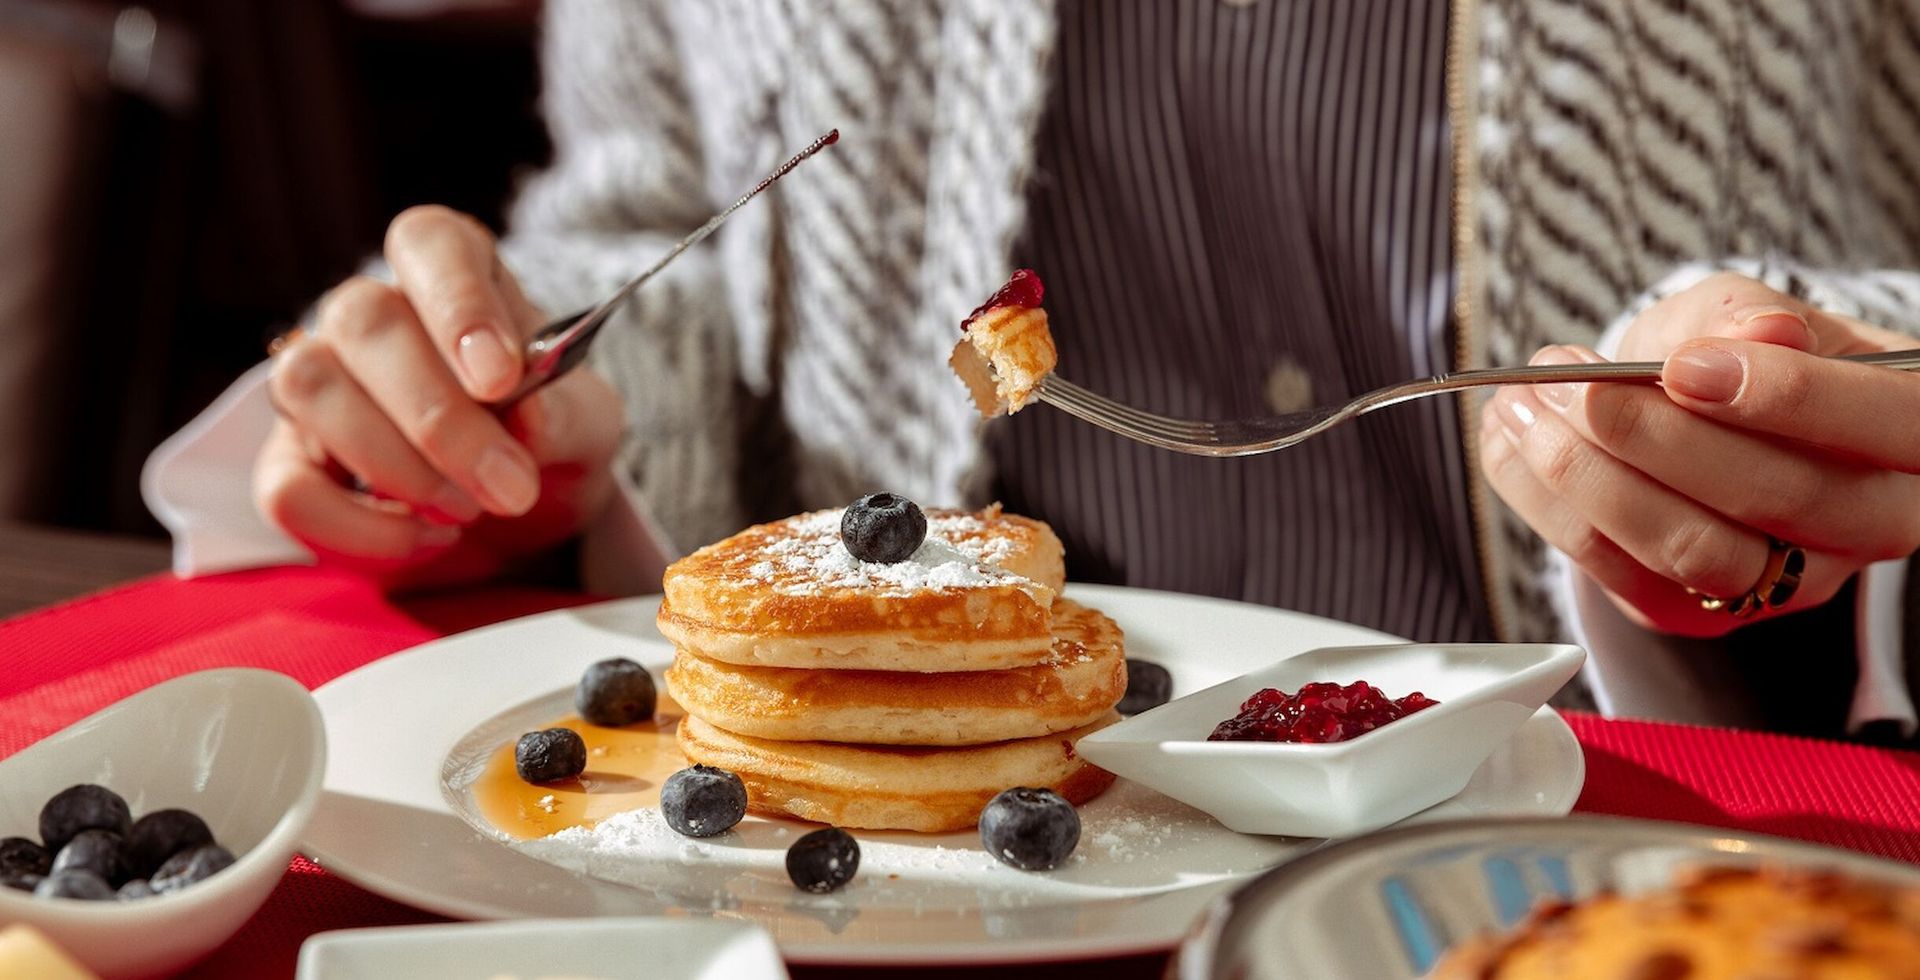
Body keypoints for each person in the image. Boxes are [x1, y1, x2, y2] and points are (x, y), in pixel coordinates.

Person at [146, 0, 1920, 742]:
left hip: (1622, 842)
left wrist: (1810, 396)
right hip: (916, 874)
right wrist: (515, 419)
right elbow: (662, 230)